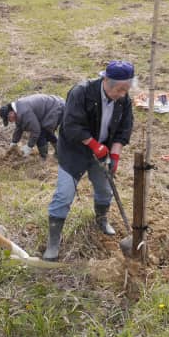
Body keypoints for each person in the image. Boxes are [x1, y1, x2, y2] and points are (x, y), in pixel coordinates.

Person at [43, 61, 135, 261]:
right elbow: (71, 125)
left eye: (126, 90)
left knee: (104, 190)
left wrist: (115, 155)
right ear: (106, 81)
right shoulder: (81, 92)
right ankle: (53, 241)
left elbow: (123, 131)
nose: (122, 94)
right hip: (74, 151)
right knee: (64, 194)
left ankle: (101, 219)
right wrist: (94, 145)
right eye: (119, 89)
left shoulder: (124, 100)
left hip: (102, 153)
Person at [0, 94, 65, 160]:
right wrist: (14, 142)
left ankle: (44, 158)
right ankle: (59, 153)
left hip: (56, 107)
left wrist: (29, 146)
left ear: (11, 113)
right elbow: (19, 127)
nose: (10, 121)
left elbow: (36, 131)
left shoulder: (24, 112)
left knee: (42, 133)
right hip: (54, 105)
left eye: (9, 119)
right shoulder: (18, 109)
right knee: (46, 131)